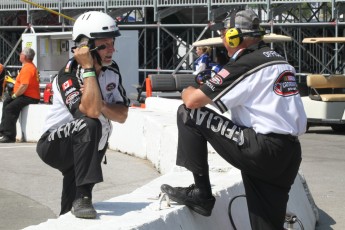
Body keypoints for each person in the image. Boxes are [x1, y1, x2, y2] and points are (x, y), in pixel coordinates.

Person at [160, 9, 307, 230]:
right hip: (289, 153)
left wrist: (188, 90)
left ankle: (201, 193)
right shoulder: (280, 61)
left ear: (234, 36)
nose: (221, 38)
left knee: (188, 113)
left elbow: (194, 101)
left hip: (262, 149)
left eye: (224, 33)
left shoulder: (245, 63)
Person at [36, 11, 130, 219]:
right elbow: (89, 113)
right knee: (90, 124)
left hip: (89, 147)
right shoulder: (67, 75)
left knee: (69, 211)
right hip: (54, 145)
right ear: (85, 46)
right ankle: (84, 196)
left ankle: (69, 210)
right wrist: (88, 67)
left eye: (112, 43)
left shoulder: (112, 71)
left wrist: (103, 104)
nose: (112, 50)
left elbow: (122, 115)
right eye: (104, 45)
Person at [0, 48, 40, 143]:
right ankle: (3, 130)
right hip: (26, 95)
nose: (19, 55)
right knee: (6, 102)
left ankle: (9, 136)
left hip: (29, 96)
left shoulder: (27, 68)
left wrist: (14, 96)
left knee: (10, 108)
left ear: (24, 57)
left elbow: (23, 86)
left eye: (21, 54)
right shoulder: (28, 66)